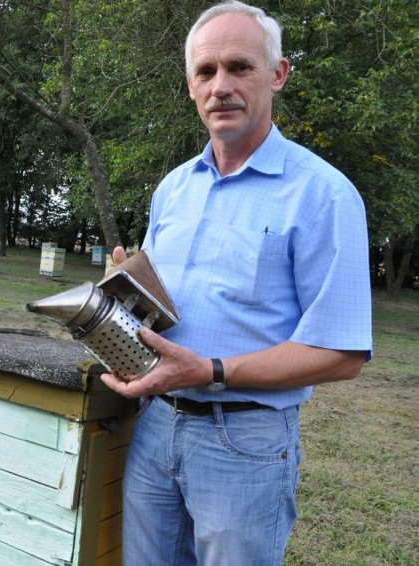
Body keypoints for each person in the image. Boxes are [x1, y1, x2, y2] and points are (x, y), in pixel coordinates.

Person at [100, 1, 373, 564]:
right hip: (154, 426)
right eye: (206, 71)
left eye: (239, 67)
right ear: (190, 85)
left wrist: (212, 371)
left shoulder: (322, 194)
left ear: (277, 74)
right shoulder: (174, 188)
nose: (221, 85)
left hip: (243, 442)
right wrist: (124, 291)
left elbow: (342, 352)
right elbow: (167, 307)